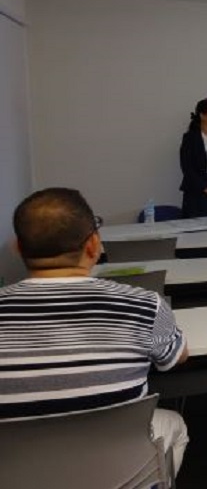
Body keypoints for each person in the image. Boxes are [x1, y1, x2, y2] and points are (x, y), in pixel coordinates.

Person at [0, 188, 190, 473]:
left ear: (18, 248)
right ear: (93, 245)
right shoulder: (145, 304)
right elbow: (177, 357)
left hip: (16, 470)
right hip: (117, 469)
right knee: (175, 424)